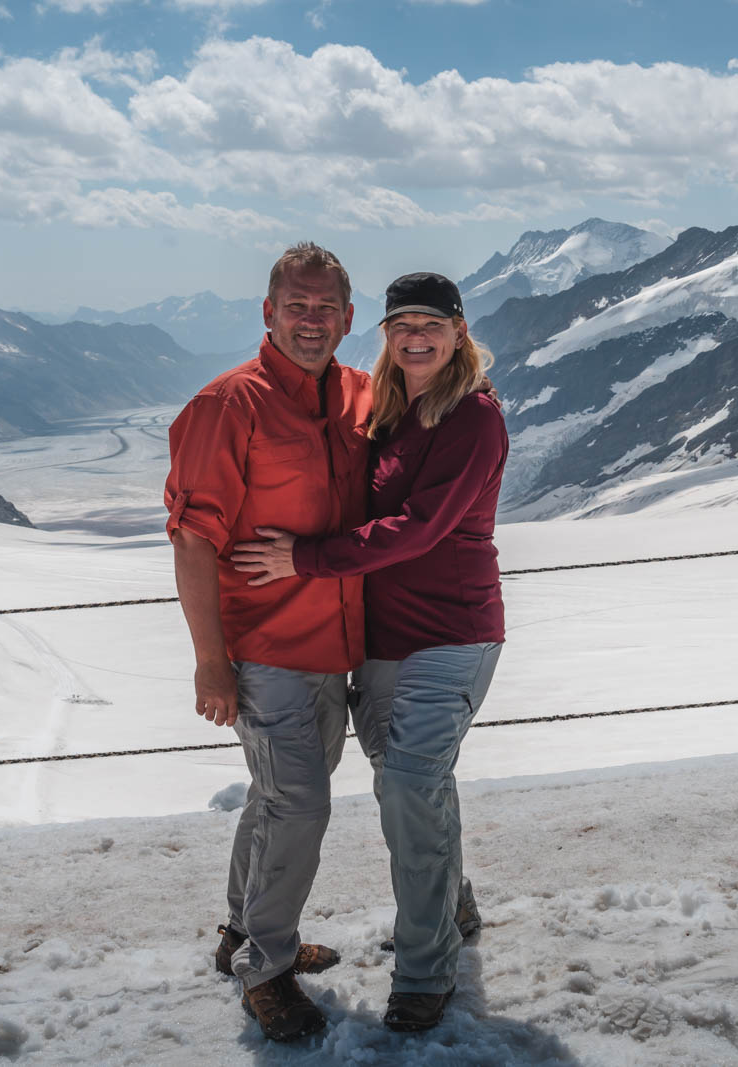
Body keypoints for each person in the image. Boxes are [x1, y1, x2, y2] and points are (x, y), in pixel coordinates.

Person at [231, 271, 508, 1033]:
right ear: (385, 334)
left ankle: (427, 967)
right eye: (400, 325)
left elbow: (420, 527)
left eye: (431, 324)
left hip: (453, 631)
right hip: (384, 637)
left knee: (409, 784)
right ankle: (451, 897)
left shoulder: (473, 417)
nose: (415, 336)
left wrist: (306, 559)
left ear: (458, 333)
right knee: (409, 780)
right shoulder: (390, 410)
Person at [163, 242, 372, 1043]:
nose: (311, 321)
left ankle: (239, 933)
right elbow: (192, 541)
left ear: (348, 319)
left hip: (335, 642)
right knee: (302, 804)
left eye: (326, 309)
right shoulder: (229, 405)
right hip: (264, 648)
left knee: (276, 797)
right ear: (268, 312)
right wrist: (211, 661)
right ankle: (268, 971)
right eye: (298, 306)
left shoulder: (358, 394)